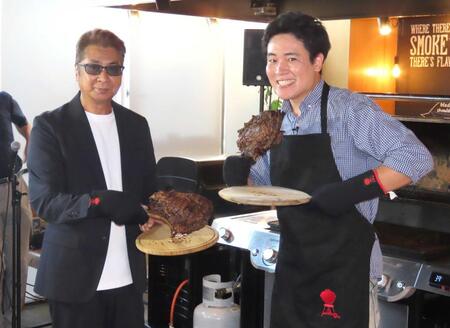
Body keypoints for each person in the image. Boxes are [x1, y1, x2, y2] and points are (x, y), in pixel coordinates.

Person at [224, 11, 434, 328]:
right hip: (294, 269)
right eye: (272, 59)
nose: (279, 70)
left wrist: (352, 190)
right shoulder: (275, 121)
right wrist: (240, 174)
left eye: (291, 59)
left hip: (345, 271)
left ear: (317, 61)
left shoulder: (348, 110)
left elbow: (415, 157)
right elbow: (263, 188)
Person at [27, 29, 157, 328]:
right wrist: (100, 201)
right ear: (77, 71)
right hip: (74, 278)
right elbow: (46, 202)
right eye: (93, 67)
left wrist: (154, 212)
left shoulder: (137, 126)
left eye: (113, 69)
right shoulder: (50, 127)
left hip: (128, 275)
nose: (103, 76)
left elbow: (150, 191)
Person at [0, 91, 32, 327]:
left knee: (18, 263)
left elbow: (24, 125)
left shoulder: (4, 98)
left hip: (14, 185)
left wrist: (31, 142)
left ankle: (13, 321)